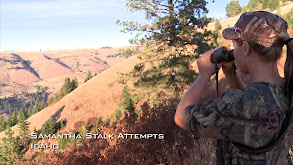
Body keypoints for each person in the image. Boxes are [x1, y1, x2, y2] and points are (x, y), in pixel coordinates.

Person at [174, 11, 293, 164]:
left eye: (234, 45)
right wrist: (231, 73)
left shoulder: (236, 104)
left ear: (246, 48)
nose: (233, 51)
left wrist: (203, 75)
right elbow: (256, 99)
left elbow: (181, 118)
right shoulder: (286, 90)